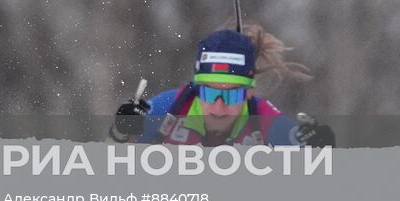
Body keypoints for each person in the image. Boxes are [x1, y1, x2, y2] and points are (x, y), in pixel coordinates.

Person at [110, 23, 335, 147]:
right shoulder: (168, 109)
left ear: (249, 92)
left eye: (230, 97)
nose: (218, 107)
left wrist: (321, 151)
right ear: (196, 88)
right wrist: (120, 132)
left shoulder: (264, 121)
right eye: (209, 93)